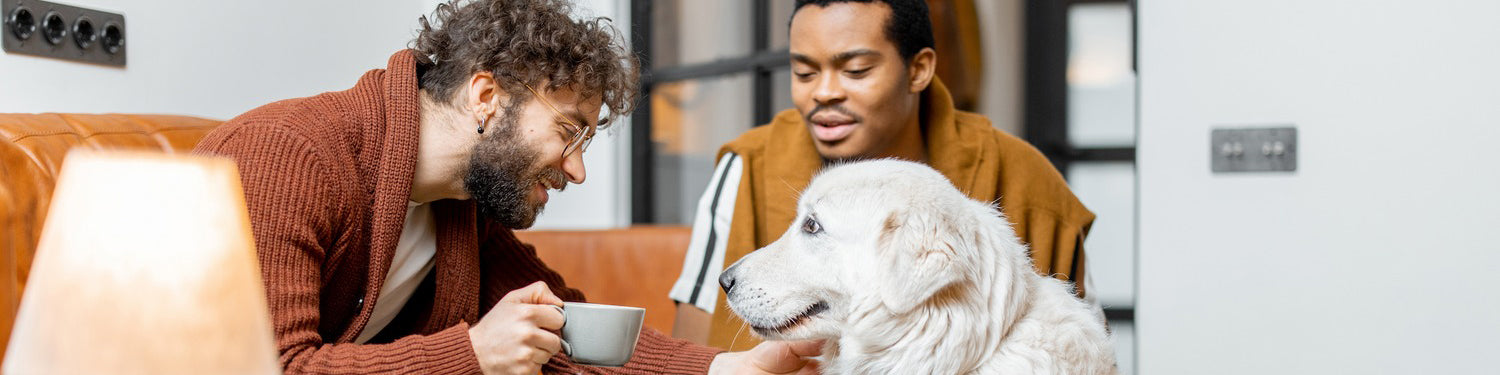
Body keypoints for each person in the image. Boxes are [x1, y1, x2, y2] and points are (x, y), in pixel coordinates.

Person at [193, 0, 819, 373]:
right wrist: (472, 355)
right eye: (568, 132)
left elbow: (562, 325)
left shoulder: (462, 205)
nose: (577, 171)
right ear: (486, 97)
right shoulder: (283, 158)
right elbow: (273, 368)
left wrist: (724, 367)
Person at [668, 0, 1097, 351]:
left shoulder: (1025, 181)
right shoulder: (748, 166)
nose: (823, 92)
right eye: (803, 72)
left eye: (855, 70)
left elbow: (1078, 343)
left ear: (919, 70)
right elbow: (693, 346)